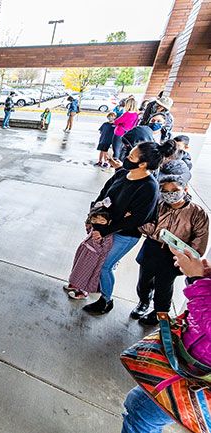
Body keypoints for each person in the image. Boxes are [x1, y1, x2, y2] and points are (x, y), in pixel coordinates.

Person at [83, 140, 177, 314]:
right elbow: (104, 193)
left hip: (125, 235)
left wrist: (104, 229)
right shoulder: (123, 173)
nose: (126, 158)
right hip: (103, 227)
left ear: (143, 164)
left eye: (131, 156)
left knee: (105, 265)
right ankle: (92, 287)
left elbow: (135, 220)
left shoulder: (149, 187)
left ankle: (106, 300)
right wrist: (94, 218)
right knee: (97, 261)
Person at [121, 249, 211, 433]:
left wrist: (197, 281)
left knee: (141, 413)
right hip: (191, 363)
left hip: (200, 374)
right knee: (139, 406)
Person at [131, 160, 208, 326]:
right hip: (152, 249)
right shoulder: (157, 204)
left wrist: (186, 258)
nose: (169, 194)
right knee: (144, 281)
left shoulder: (197, 213)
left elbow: (199, 242)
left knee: (164, 287)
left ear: (185, 189)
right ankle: (143, 302)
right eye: (165, 191)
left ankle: (159, 312)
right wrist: (156, 232)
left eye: (175, 190)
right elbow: (143, 224)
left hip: (174, 256)